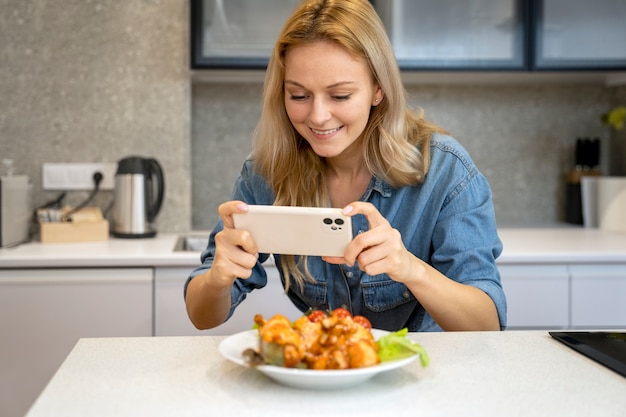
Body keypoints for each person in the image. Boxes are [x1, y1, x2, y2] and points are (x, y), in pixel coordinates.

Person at [185, 0, 506, 332]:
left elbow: (487, 325)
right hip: (326, 371)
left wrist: (409, 267)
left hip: (426, 379)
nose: (318, 116)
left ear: (378, 89)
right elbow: (201, 316)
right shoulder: (265, 174)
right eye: (298, 96)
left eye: (339, 96)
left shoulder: (445, 170)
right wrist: (218, 279)